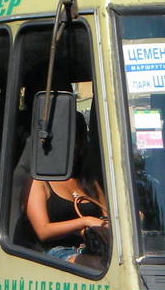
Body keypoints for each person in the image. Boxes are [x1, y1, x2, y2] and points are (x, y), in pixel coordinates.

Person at [23, 114, 109, 265]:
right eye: (62, 140)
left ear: (82, 144)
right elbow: (43, 231)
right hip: (50, 254)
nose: (69, 147)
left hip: (88, 248)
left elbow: (106, 217)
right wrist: (85, 221)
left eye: (75, 140)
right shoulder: (38, 181)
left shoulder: (89, 181)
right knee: (100, 265)